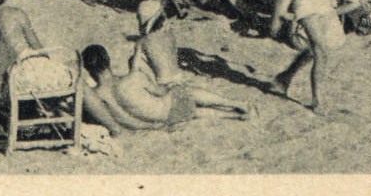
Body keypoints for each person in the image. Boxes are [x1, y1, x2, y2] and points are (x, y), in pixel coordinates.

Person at [80, 44, 248, 133]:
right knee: (185, 92)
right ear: (108, 60)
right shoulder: (132, 79)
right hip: (169, 108)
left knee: (193, 112)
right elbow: (160, 92)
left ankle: (231, 115)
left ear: (87, 69)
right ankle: (234, 104)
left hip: (159, 121)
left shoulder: (98, 95)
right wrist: (168, 85)